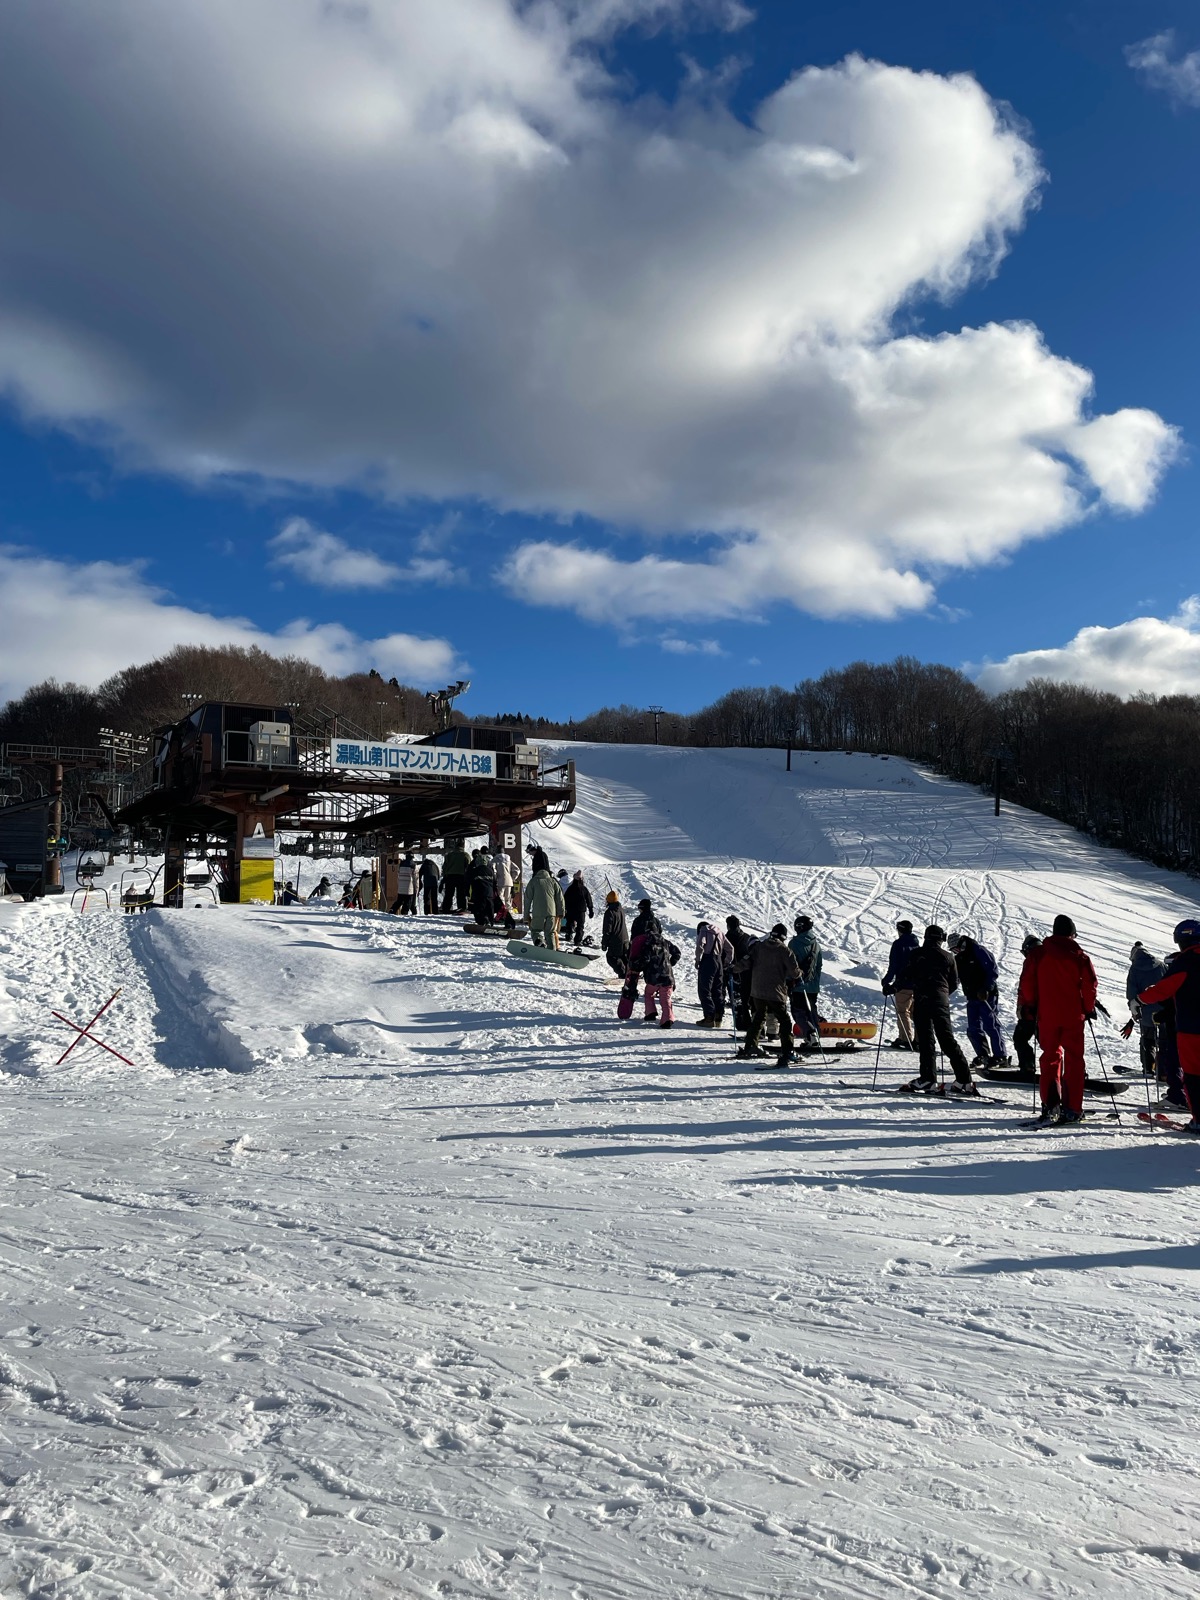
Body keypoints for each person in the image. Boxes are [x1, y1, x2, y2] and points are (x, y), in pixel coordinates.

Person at [1017, 914, 1098, 1125]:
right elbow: (1090, 985)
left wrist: (1030, 1005)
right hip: (1073, 1016)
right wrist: (1088, 1008)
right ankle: (1072, 1108)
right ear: (1071, 934)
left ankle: (1050, 1104)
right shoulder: (1080, 957)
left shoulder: (1038, 954)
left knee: (1050, 1057)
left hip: (1047, 1015)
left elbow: (1027, 982)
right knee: (1074, 1060)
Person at [895, 925, 976, 1094]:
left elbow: (906, 975)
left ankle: (928, 1079)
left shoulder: (917, 954)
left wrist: (893, 987)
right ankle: (964, 1080)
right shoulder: (948, 956)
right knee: (947, 1040)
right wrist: (942, 993)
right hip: (940, 1000)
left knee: (926, 1041)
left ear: (926, 937)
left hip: (923, 999)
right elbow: (954, 982)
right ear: (941, 939)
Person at [1137, 918, 1200, 1131]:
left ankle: (1198, 1120)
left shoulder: (1186, 961)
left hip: (1191, 1029)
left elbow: (1164, 988)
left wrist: (1139, 1000)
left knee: (1193, 1074)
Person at [736, 925, 801, 1068]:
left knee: (759, 1017)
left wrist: (733, 969)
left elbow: (746, 962)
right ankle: (788, 1051)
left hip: (757, 991)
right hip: (775, 992)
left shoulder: (759, 947)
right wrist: (800, 973)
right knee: (784, 1021)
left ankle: (750, 1046)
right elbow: (794, 972)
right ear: (784, 937)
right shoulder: (785, 951)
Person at [948, 933, 1006, 1067]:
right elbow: (956, 978)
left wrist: (986, 988)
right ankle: (982, 1054)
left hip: (987, 995)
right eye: (953, 950)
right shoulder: (959, 958)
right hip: (972, 996)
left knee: (990, 1024)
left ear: (961, 944)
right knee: (973, 1027)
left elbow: (992, 970)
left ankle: (1000, 1055)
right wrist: (945, 992)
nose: (955, 951)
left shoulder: (978, 951)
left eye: (956, 948)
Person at [630, 920, 681, 1026]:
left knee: (649, 993)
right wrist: (670, 963)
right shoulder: (665, 942)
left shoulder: (648, 943)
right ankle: (667, 1018)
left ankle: (651, 1013)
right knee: (665, 997)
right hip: (667, 976)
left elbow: (645, 960)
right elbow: (677, 952)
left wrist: (635, 966)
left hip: (653, 977)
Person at [1125, 942, 1165, 1076]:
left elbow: (1132, 993)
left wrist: (1134, 1011)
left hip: (1145, 1010)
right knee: (1164, 1041)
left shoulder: (1134, 969)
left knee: (1147, 1040)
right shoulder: (1160, 965)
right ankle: (1164, 1069)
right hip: (1164, 1009)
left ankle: (1148, 1068)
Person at [882, 920, 920, 1049]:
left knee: (903, 1012)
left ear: (900, 930)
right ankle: (919, 1040)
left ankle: (905, 1039)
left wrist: (886, 981)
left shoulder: (898, 944)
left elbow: (894, 965)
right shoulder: (916, 945)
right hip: (917, 985)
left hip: (903, 984)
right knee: (915, 1013)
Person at [787, 915, 823, 1049]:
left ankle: (810, 1035)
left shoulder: (794, 943)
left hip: (798, 985)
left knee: (798, 1012)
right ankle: (816, 1037)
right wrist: (814, 983)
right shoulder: (816, 945)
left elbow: (790, 965)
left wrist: (789, 982)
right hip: (813, 987)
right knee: (811, 1012)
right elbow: (819, 966)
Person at [1012, 934, 1041, 1079]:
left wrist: (1027, 1006)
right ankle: (1069, 1071)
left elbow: (1027, 984)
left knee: (1020, 1038)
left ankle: (1028, 1066)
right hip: (1046, 1010)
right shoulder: (1048, 958)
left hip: (1030, 1010)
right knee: (1050, 1043)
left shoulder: (1031, 960)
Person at [694, 919, 733, 1028]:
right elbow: (730, 948)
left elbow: (700, 945)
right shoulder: (720, 932)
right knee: (717, 989)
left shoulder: (703, 930)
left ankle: (709, 1017)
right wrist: (727, 961)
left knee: (704, 989)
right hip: (719, 960)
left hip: (708, 960)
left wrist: (697, 960)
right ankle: (718, 1017)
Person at [525, 863, 565, 948]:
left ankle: (539, 940)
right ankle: (552, 950)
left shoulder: (533, 882)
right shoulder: (553, 882)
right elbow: (560, 899)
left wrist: (526, 916)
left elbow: (527, 900)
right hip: (551, 913)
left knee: (535, 930)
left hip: (538, 913)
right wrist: (561, 912)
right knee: (550, 933)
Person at [725, 915, 753, 1030]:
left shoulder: (726, 938)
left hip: (733, 973)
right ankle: (751, 1024)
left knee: (737, 1000)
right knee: (747, 999)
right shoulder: (746, 937)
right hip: (748, 973)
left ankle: (741, 1024)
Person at [601, 891, 630, 978]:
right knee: (624, 958)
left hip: (616, 940)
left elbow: (607, 929)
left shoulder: (609, 912)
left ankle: (623, 974)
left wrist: (604, 943)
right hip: (625, 939)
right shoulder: (621, 910)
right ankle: (630, 973)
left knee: (611, 957)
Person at [563, 870, 594, 947]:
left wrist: (564, 909)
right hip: (580, 910)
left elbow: (565, 899)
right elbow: (589, 899)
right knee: (580, 926)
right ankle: (577, 941)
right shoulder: (584, 889)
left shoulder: (570, 888)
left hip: (570, 910)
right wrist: (590, 910)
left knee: (569, 923)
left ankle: (568, 935)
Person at [468, 849, 496, 927]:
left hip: (478, 894)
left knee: (479, 909)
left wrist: (468, 892)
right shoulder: (490, 871)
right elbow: (494, 882)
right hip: (489, 893)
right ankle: (490, 922)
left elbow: (469, 881)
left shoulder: (475, 871)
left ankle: (482, 922)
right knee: (490, 908)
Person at [441, 840, 471, 912]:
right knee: (461, 894)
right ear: (463, 846)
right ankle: (461, 908)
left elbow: (444, 867)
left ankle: (446, 908)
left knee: (448, 894)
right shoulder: (465, 855)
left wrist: (445, 876)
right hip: (461, 876)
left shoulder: (449, 855)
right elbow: (469, 866)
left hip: (450, 876)